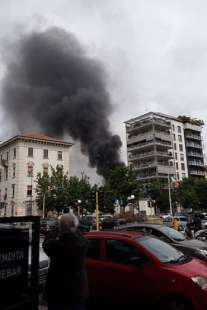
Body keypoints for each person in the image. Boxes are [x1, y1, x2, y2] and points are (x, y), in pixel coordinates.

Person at [43, 213, 89, 310]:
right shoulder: (83, 243)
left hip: (57, 292)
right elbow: (80, 235)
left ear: (60, 228)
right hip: (77, 292)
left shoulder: (54, 246)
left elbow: (46, 242)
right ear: (75, 226)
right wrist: (73, 227)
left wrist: (55, 230)